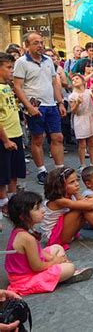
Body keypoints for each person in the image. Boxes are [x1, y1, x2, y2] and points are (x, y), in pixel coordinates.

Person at [5, 191, 93, 296]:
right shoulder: (27, 238)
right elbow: (37, 267)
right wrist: (56, 261)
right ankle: (67, 275)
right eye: (37, 209)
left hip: (23, 270)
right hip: (24, 280)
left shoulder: (20, 230)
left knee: (57, 248)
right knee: (70, 267)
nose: (42, 210)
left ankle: (62, 274)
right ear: (23, 216)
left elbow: (39, 251)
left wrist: (52, 258)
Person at [13, 32, 67, 185]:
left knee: (58, 137)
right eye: (35, 43)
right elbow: (17, 87)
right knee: (38, 138)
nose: (40, 45)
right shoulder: (22, 62)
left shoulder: (48, 60)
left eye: (41, 42)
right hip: (35, 106)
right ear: (27, 46)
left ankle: (59, 170)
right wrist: (29, 107)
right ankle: (41, 170)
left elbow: (54, 82)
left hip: (51, 105)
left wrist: (60, 102)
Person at [0, 53, 26, 222]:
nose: (12, 71)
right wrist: (5, 140)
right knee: (3, 174)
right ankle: (3, 203)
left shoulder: (7, 87)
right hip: (5, 137)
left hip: (16, 134)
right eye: (8, 67)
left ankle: (12, 202)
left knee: (14, 172)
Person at [69, 74, 93, 171]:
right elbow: (73, 111)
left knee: (91, 142)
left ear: (83, 81)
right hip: (80, 118)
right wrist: (78, 103)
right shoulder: (73, 96)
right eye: (73, 80)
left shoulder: (88, 91)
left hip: (90, 117)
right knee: (82, 143)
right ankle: (82, 165)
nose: (74, 80)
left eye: (77, 78)